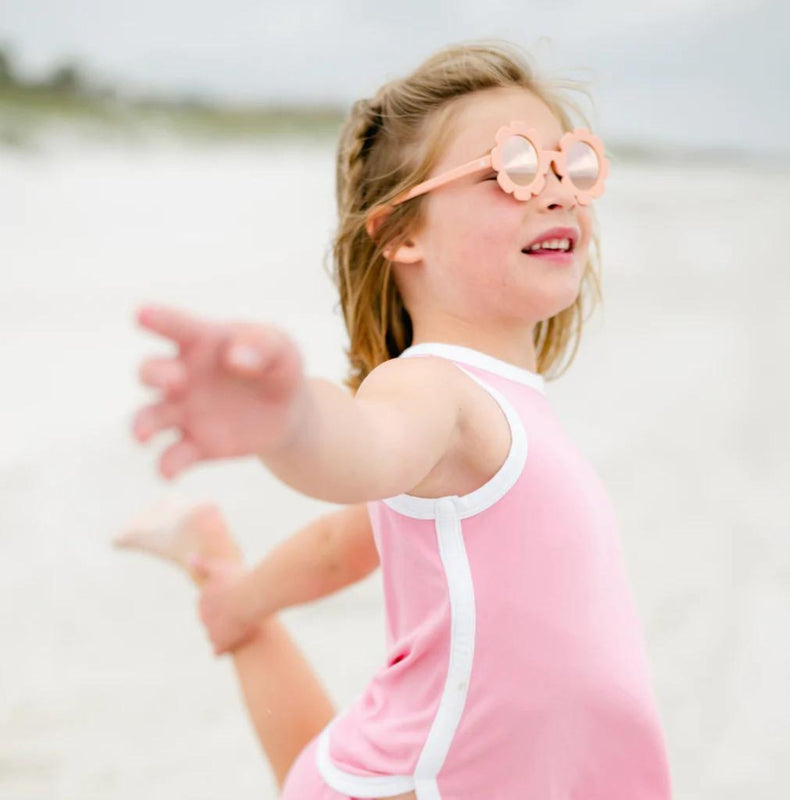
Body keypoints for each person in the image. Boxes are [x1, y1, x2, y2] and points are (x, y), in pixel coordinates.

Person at [115, 38, 673, 800]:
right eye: (510, 168)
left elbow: (340, 547)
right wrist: (290, 419)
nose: (555, 191)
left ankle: (216, 569)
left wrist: (242, 603)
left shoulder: (513, 410)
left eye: (569, 163)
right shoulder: (435, 392)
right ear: (401, 233)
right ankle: (217, 570)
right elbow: (358, 444)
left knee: (304, 768)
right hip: (430, 783)